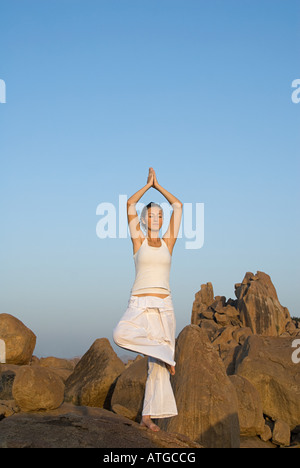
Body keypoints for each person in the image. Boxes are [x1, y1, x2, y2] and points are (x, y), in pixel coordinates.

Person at [113, 167, 183, 431]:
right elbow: (130, 203)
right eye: (151, 214)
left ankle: (147, 417)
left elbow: (178, 205)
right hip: (139, 304)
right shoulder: (138, 241)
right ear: (144, 219)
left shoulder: (168, 242)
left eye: (160, 215)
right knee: (120, 333)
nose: (156, 217)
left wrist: (159, 186)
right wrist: (147, 186)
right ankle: (166, 354)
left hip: (164, 306)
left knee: (157, 368)